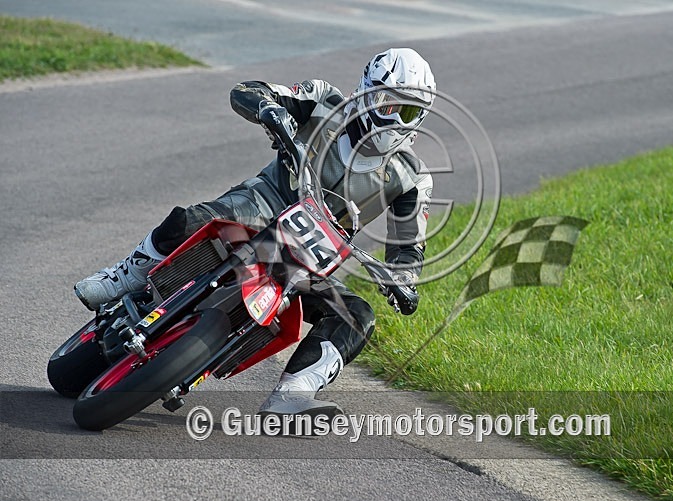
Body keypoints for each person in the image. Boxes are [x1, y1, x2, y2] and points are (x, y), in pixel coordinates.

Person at [74, 48, 436, 418]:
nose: (395, 118)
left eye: (407, 111)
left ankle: (292, 395)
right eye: (388, 104)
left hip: (308, 259)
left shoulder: (413, 178)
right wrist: (269, 110)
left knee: (356, 316)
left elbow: (410, 245)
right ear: (366, 93)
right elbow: (248, 90)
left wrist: (403, 279)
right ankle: (125, 275)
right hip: (258, 206)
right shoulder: (322, 100)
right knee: (188, 220)